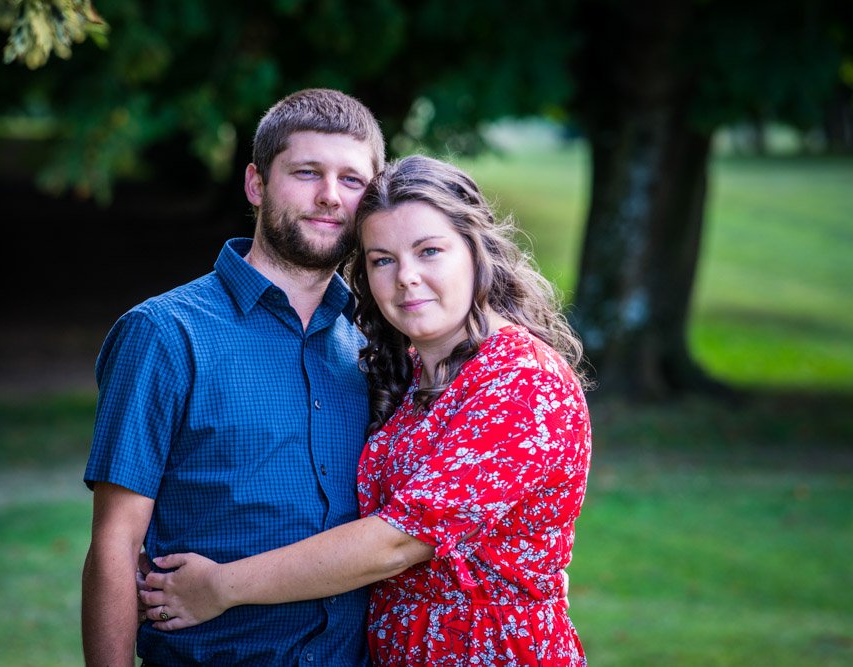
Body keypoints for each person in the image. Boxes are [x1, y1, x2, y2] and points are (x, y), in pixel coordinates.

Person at [140, 155, 593, 666]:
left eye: (429, 252)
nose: (407, 278)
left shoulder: (522, 378)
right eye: (382, 260)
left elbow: (396, 543)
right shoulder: (413, 375)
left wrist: (220, 586)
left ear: (476, 250)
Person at [81, 88, 385, 666]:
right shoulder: (164, 334)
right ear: (255, 183)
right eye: (306, 171)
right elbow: (115, 546)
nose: (329, 196)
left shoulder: (375, 346)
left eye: (352, 180)